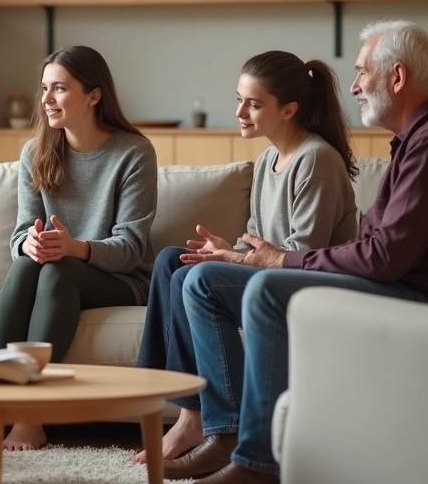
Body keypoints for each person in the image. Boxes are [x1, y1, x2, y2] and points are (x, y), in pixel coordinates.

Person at [174, 21, 428, 483]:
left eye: (361, 73)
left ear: (396, 77)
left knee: (268, 289)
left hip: (418, 300)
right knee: (204, 280)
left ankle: (258, 465)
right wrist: (254, 255)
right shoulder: (422, 139)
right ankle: (226, 433)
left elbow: (385, 258)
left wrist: (282, 259)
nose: (352, 86)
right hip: (398, 283)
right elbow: (380, 247)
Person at [134, 50, 359, 468]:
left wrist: (231, 261)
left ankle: (222, 428)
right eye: (239, 99)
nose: (239, 111)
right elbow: (260, 244)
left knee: (192, 280)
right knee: (171, 262)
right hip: (268, 276)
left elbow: (301, 255)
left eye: (253, 104)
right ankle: (188, 412)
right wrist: (227, 252)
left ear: (289, 109)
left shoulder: (316, 159)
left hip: (306, 285)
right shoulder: (266, 160)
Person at [0, 45, 158, 452]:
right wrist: (28, 244)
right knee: (30, 266)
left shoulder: (133, 153)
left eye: (60, 88)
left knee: (58, 268)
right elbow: (17, 236)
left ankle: (32, 417)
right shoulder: (36, 152)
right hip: (52, 267)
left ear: (93, 95)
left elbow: (132, 248)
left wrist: (75, 247)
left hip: (121, 278)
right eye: (44, 88)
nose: (46, 100)